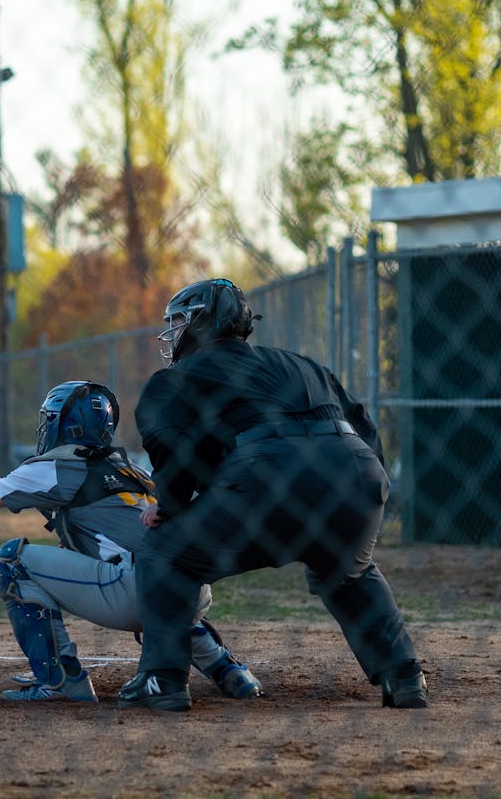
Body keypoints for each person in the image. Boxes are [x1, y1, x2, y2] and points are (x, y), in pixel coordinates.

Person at [119, 277, 427, 712]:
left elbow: (174, 447)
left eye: (179, 321)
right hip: (356, 473)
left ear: (203, 323)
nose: (172, 332)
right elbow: (363, 427)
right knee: (348, 569)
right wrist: (369, 495)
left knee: (165, 555)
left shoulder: (178, 377)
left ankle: (162, 680)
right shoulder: (301, 364)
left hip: (269, 473)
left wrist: (169, 508)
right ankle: (405, 675)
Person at [0, 381, 262, 703]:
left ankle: (60, 681)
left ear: (61, 425)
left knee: (12, 561)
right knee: (155, 583)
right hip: (189, 591)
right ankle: (228, 670)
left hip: (134, 592)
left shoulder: (58, 466)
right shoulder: (130, 468)